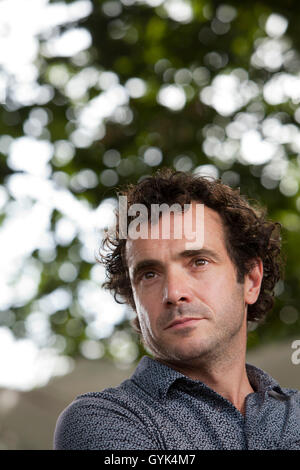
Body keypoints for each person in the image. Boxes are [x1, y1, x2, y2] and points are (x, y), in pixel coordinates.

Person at [53, 168, 300, 450]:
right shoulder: (101, 421)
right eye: (149, 274)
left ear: (251, 280)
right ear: (135, 302)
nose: (174, 293)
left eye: (198, 262)